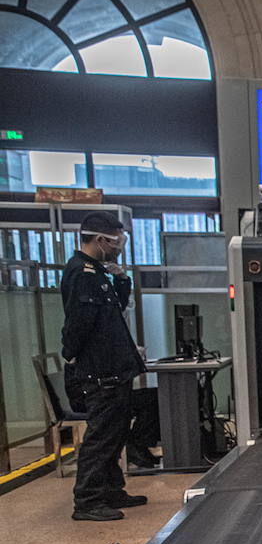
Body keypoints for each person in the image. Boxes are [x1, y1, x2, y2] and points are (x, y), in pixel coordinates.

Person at [60, 212, 154, 521]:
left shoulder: (97, 272)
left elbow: (114, 311)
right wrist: (72, 356)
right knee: (101, 437)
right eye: (118, 241)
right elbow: (78, 323)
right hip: (100, 370)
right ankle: (87, 500)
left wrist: (122, 280)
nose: (120, 247)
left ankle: (111, 490)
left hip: (114, 367)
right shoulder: (82, 273)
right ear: (101, 240)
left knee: (115, 434)